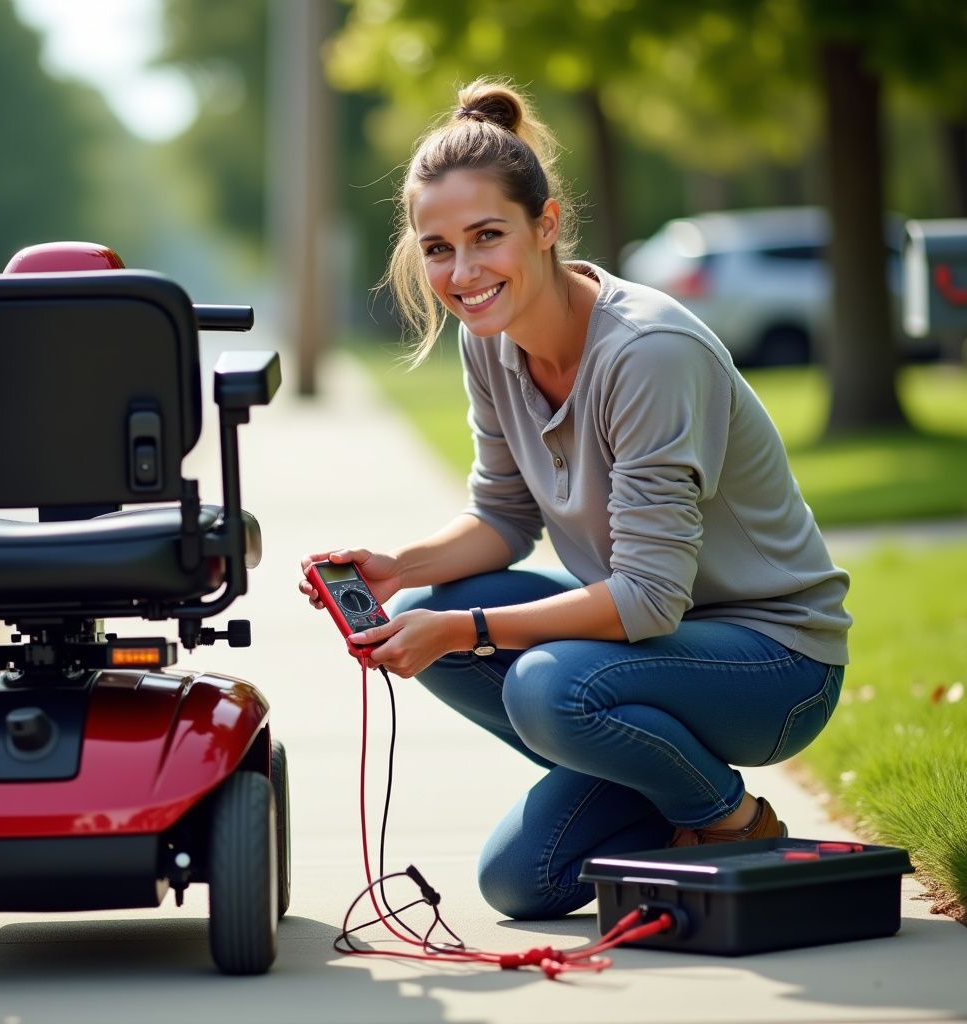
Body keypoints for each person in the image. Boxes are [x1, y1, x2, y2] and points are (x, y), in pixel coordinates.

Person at [299, 79, 850, 921]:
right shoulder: (492, 342)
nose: (463, 272)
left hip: (773, 665)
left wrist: (471, 630)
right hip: (649, 656)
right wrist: (395, 566)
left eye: (488, 238)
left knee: (537, 680)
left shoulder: (648, 352)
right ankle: (660, 785)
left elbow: (652, 597)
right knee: (522, 881)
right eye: (438, 247)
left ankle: (729, 819)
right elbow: (505, 518)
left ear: (546, 226)